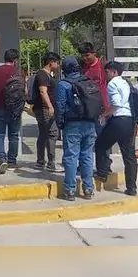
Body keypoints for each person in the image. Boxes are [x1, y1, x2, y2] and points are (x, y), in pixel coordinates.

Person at [55, 57, 101, 201]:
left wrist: (60, 123)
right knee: (87, 155)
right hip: (90, 123)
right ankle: (88, 189)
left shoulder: (63, 85)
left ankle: (70, 190)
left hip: (73, 124)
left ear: (64, 70)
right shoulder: (88, 82)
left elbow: (60, 106)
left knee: (71, 156)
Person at [94, 61, 138, 196]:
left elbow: (116, 104)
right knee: (129, 155)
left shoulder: (112, 84)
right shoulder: (126, 83)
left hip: (118, 120)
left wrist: (104, 114)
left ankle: (102, 174)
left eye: (107, 72)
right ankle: (131, 188)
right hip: (130, 121)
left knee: (100, 145)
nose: (105, 75)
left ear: (114, 72)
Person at [0, 49, 22, 174]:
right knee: (14, 135)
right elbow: (24, 91)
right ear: (15, 60)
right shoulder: (18, 72)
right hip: (15, 109)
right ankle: (12, 162)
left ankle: (2, 159)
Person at [31, 51, 61, 171]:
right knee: (52, 133)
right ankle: (51, 163)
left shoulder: (47, 75)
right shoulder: (43, 75)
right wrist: (50, 107)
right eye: (57, 63)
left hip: (42, 108)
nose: (58, 65)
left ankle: (40, 161)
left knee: (43, 134)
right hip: (44, 108)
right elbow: (43, 91)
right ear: (51, 63)